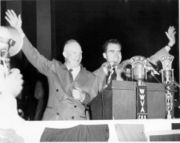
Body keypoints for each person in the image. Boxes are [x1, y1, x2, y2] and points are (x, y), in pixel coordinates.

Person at [5, 9, 99, 120]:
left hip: (77, 126)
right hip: (54, 123)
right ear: (65, 54)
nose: (78, 57)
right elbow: (35, 57)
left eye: (80, 54)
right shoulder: (54, 68)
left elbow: (95, 102)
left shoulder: (90, 77)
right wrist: (20, 32)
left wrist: (84, 97)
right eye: (74, 53)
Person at [91, 26, 176, 119]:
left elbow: (149, 61)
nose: (116, 55)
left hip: (127, 116)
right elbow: (89, 101)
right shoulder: (93, 76)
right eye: (112, 51)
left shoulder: (128, 66)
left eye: (119, 51)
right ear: (104, 55)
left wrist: (169, 45)